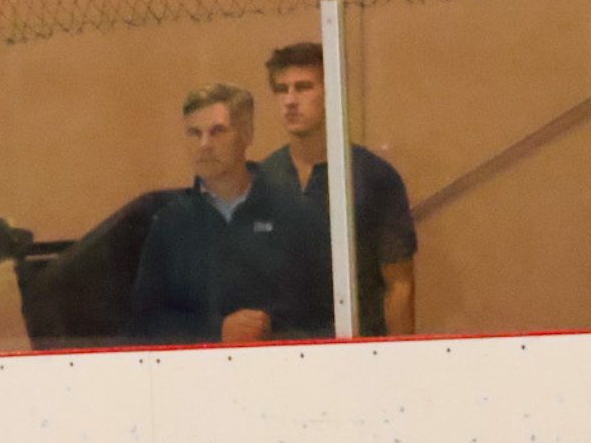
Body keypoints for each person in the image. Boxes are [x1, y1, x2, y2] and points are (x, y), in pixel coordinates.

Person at [131, 84, 332, 345]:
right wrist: (216, 332)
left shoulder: (296, 214)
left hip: (283, 364)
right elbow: (144, 322)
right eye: (194, 133)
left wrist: (272, 332)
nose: (204, 144)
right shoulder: (170, 223)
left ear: (246, 134)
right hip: (198, 368)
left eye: (217, 131)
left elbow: (328, 314)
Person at [258, 42, 419, 336]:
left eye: (303, 87)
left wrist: (399, 357)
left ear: (332, 94)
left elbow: (399, 283)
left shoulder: (371, 176)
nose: (290, 100)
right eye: (282, 89)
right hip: (282, 350)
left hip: (357, 345)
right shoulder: (264, 178)